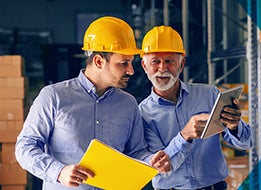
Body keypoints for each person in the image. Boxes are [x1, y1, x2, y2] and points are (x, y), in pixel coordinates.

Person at [15, 16, 170, 190]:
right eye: (124, 63)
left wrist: (151, 160)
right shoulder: (53, 97)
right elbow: (25, 147)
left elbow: (135, 152)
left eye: (131, 63)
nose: (131, 71)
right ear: (98, 61)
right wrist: (59, 172)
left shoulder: (128, 104)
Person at [138, 25, 253, 190]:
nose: (162, 68)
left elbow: (246, 143)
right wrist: (185, 136)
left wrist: (234, 126)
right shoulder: (142, 114)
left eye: (169, 61)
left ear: (181, 64)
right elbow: (162, 168)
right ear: (144, 66)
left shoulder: (209, 94)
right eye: (155, 61)